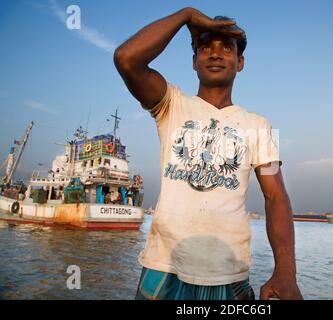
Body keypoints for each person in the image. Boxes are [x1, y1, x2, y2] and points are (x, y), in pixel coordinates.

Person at [114, 7, 302, 300]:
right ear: (194, 61)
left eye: (226, 48)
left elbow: (276, 196)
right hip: (162, 270)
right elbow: (126, 59)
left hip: (229, 278)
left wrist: (286, 272)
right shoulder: (171, 104)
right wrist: (186, 16)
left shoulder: (260, 126)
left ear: (240, 63)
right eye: (205, 48)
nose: (215, 54)